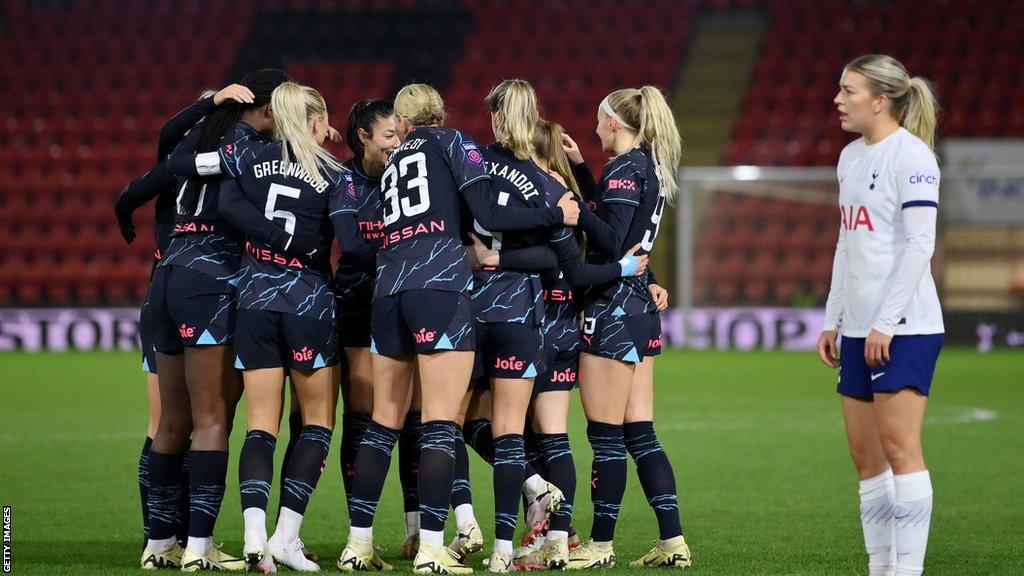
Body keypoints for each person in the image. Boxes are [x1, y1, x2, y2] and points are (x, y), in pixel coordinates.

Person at [337, 83, 579, 574]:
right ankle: (430, 548)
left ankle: (357, 544)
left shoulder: (391, 162)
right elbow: (487, 213)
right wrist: (555, 212)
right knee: (441, 425)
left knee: (384, 421)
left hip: (388, 288)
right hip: (437, 288)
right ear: (439, 114)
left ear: (402, 123)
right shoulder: (453, 143)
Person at [142, 70, 288, 572]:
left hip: (167, 274)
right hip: (212, 278)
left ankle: (159, 544)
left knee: (171, 424)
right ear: (267, 110)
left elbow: (164, 146)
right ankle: (198, 548)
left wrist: (206, 102)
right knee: (212, 419)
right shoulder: (250, 147)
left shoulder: (199, 135)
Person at [213, 81, 351, 572]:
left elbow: (227, 205)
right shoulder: (333, 171)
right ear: (316, 121)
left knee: (259, 425)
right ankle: (285, 537)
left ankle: (252, 533)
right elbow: (352, 242)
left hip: (253, 301)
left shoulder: (249, 159)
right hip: (308, 302)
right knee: (316, 421)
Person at [818, 54, 943, 576]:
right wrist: (833, 318)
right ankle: (881, 565)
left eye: (849, 91)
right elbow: (848, 243)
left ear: (881, 100)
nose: (838, 100)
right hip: (856, 329)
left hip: (906, 326)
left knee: (899, 447)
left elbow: (920, 246)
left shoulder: (913, 158)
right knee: (866, 457)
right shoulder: (850, 157)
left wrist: (885, 323)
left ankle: (908, 570)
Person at [118, 84, 251, 552]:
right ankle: (176, 535)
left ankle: (164, 536)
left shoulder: (195, 167)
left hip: (166, 291)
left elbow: (131, 191)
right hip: (196, 295)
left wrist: (123, 209)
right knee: (188, 422)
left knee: (177, 424)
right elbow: (164, 142)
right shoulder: (194, 164)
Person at [564, 86, 691, 570]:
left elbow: (613, 237)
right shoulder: (648, 166)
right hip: (639, 307)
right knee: (642, 433)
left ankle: (600, 545)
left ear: (613, 123)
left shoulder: (622, 168)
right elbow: (622, 223)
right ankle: (672, 541)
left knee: (605, 436)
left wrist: (573, 208)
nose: (595, 129)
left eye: (599, 121)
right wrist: (581, 172)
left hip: (612, 305)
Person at [333, 99, 425, 557]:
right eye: (389, 135)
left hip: (401, 304)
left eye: (401, 135)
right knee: (365, 416)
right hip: (357, 308)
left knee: (412, 418)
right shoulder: (345, 182)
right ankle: (359, 531)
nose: (397, 144)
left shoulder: (409, 176)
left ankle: (414, 531)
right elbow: (351, 248)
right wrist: (404, 253)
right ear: (364, 137)